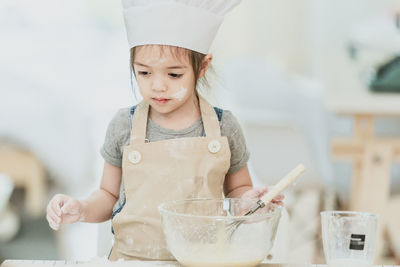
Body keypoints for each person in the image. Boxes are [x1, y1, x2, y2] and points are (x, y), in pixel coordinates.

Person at [46, 0, 284, 261]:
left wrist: (249, 203)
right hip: (132, 261)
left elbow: (237, 190)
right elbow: (108, 195)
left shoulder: (224, 127)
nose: (157, 86)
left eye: (173, 75)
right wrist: (81, 208)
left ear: (202, 67)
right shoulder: (123, 125)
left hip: (203, 261)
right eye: (145, 72)